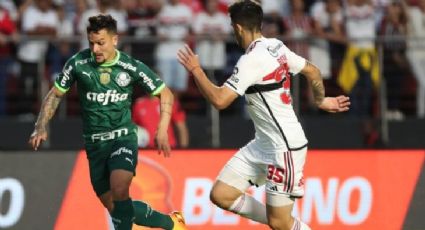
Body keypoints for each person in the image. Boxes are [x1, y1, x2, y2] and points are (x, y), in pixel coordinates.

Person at [177, 1, 350, 230]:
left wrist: (196, 71)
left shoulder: (251, 60)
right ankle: (281, 222)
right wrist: (321, 100)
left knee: (281, 224)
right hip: (263, 143)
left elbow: (220, 100)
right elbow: (312, 70)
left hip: (284, 148)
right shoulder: (276, 45)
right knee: (221, 194)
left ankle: (285, 224)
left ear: (238, 28)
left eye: (232, 27)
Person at [28, 14, 186, 230]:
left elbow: (165, 94)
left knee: (120, 188)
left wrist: (161, 129)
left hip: (122, 138)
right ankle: (172, 223)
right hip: (94, 145)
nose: (95, 49)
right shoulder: (78, 63)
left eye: (100, 43)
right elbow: (56, 95)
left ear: (114, 40)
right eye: (91, 43)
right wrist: (40, 125)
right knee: (116, 207)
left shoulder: (130, 66)